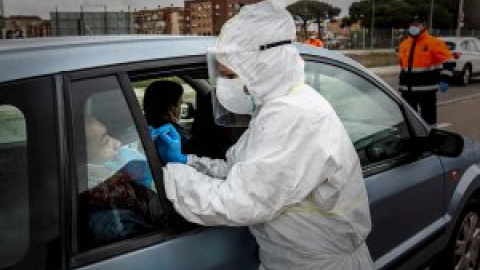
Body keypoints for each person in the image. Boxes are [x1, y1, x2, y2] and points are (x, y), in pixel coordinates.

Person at [151, 0, 373, 269]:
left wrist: (165, 176)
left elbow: (242, 200)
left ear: (262, 66)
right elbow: (242, 171)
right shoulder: (277, 107)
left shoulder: (294, 117)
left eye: (231, 75)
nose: (228, 85)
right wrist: (187, 162)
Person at [398, 15, 455, 125]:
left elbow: (449, 61)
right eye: (411, 25)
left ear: (423, 26)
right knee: (409, 122)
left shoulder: (434, 43)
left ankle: (430, 140)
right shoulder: (404, 44)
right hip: (407, 91)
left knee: (428, 121)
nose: (413, 27)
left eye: (416, 24)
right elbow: (403, 66)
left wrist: (445, 79)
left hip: (426, 90)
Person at [143, 80, 191, 149]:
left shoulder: (142, 127)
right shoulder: (176, 137)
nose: (180, 109)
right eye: (180, 103)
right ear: (171, 107)